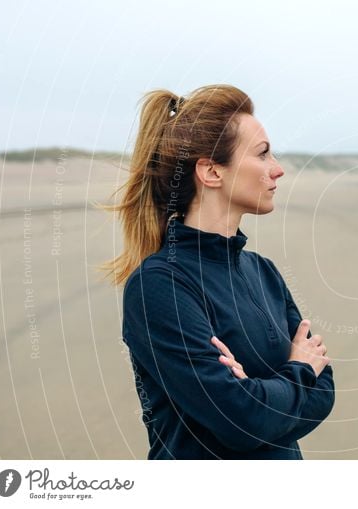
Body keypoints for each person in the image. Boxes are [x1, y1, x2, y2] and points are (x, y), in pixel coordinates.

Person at [100, 84, 334, 459]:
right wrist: (298, 372)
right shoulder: (160, 286)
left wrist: (261, 393)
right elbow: (240, 420)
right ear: (211, 172)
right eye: (262, 154)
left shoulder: (263, 272)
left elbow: (324, 393)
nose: (278, 169)